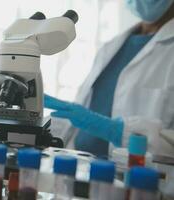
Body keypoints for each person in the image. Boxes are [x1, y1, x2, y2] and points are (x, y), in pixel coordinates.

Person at [45, 0, 174, 158]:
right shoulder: (112, 46)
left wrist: (117, 131)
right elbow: (82, 117)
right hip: (81, 165)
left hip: (136, 177)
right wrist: (34, 124)